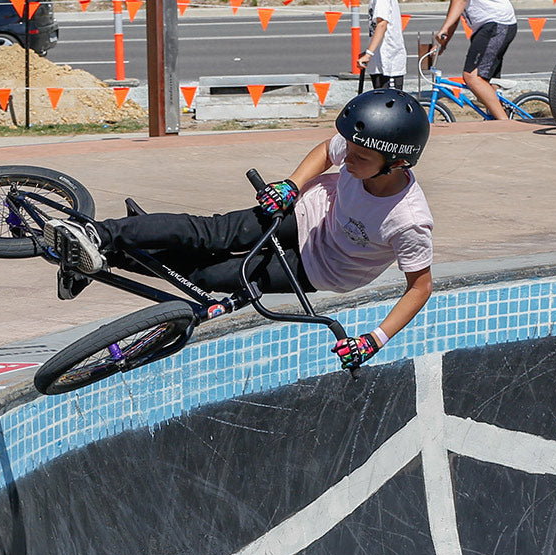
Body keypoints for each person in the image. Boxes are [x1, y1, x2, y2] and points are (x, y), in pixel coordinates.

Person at [45, 89, 434, 371]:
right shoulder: (359, 149)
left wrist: (374, 340)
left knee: (209, 275)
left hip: (321, 267)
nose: (347, 157)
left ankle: (101, 261)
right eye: (349, 148)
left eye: (360, 157)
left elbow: (420, 287)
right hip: (308, 211)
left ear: (397, 164)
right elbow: (324, 150)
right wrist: (291, 185)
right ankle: (97, 235)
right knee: (213, 234)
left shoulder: (408, 220)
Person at [435, 0, 517, 121]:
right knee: (485, 79)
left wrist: (444, 29)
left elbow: (460, 1)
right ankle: (496, 115)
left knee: (472, 77)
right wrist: (443, 43)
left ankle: (503, 121)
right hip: (493, 24)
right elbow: (455, 14)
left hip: (496, 23)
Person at [359, 0, 407, 90]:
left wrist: (369, 54)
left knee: (389, 101)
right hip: (379, 60)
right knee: (379, 100)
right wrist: (368, 51)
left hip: (388, 61)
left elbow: (382, 24)